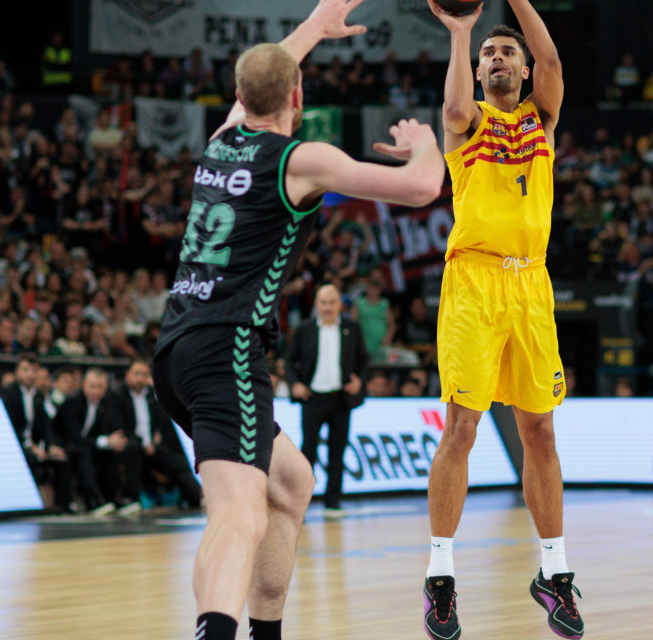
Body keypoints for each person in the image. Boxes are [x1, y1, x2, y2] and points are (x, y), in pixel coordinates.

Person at [148, 1, 445, 638]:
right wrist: (427, 143)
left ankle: (266, 633)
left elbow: (264, 81)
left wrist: (312, 27)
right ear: (299, 95)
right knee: (239, 512)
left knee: (291, 483)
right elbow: (422, 189)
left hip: (177, 350)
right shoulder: (297, 160)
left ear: (239, 95)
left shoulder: (222, 141)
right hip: (226, 348)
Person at [426, 1, 582, 638]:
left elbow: (553, 59)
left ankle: (554, 572)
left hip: (531, 284)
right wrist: (463, 32)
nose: (497, 60)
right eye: (489, 55)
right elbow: (455, 109)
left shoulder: (541, 120)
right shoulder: (468, 125)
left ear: (522, 73)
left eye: (504, 53)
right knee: (461, 425)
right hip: (474, 284)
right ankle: (441, 577)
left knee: (539, 431)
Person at [284, 283, 369, 514]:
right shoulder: (305, 329)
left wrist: (359, 381)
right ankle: (301, 501)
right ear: (316, 304)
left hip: (341, 399)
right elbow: (289, 361)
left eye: (332, 302)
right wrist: (296, 384)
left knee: (337, 451)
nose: (328, 307)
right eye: (324, 302)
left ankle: (333, 502)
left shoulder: (352, 328)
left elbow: (364, 361)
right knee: (307, 451)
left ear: (340, 304)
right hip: (313, 399)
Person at [113, 359, 203, 509]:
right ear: (128, 375)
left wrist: (154, 437)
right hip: (132, 446)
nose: (140, 379)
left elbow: (158, 422)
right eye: (137, 374)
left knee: (178, 462)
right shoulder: (118, 396)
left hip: (151, 448)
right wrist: (143, 443)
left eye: (144, 375)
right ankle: (131, 499)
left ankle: (196, 498)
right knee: (132, 450)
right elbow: (120, 427)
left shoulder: (152, 396)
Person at [0, 353, 72, 511]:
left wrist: (50, 445)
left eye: (33, 370)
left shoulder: (38, 396)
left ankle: (62, 507)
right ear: (17, 372)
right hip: (14, 446)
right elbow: (9, 427)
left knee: (62, 460)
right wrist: (30, 446)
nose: (30, 374)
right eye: (26, 370)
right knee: (30, 458)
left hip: (34, 446)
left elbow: (44, 425)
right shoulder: (8, 394)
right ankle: (28, 504)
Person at [53, 367, 118, 515]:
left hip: (86, 445)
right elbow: (74, 437)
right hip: (65, 445)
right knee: (84, 453)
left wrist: (111, 441)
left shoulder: (106, 404)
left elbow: (107, 430)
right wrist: (104, 441)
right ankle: (91, 500)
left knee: (110, 454)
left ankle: (113, 499)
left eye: (100, 387)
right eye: (92, 386)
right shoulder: (72, 402)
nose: (96, 391)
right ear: (83, 384)